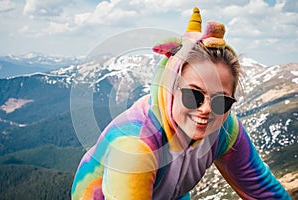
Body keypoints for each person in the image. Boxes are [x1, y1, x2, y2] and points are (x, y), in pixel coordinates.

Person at [71, 7, 290, 200]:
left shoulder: (225, 127)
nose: (206, 109)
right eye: (193, 96)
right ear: (170, 89)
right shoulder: (135, 146)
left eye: (221, 101)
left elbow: (263, 190)